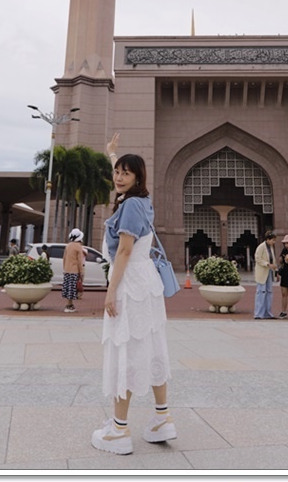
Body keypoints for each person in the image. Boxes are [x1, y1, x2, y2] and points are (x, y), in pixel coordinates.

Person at [91, 133, 174, 456]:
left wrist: (111, 292)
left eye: (126, 172)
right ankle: (162, 418)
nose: (118, 176)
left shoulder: (130, 208)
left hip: (130, 283)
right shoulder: (139, 202)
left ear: (138, 177)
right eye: (117, 172)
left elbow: (123, 252)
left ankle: (119, 431)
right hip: (146, 283)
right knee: (151, 347)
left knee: (124, 348)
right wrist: (112, 155)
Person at [253, 231, 278, 319]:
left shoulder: (271, 248)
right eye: (273, 240)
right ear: (268, 239)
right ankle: (258, 313)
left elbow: (273, 260)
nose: (274, 242)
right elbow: (258, 258)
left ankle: (268, 312)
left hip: (270, 272)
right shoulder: (261, 247)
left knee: (269, 292)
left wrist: (276, 272)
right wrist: (267, 264)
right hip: (262, 272)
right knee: (261, 292)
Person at [62, 228, 85, 313]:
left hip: (67, 270)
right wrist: (81, 272)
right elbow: (80, 261)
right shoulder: (78, 247)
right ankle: (69, 306)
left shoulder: (68, 246)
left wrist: (64, 268)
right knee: (72, 289)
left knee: (68, 289)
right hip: (74, 270)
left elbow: (64, 258)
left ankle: (69, 305)